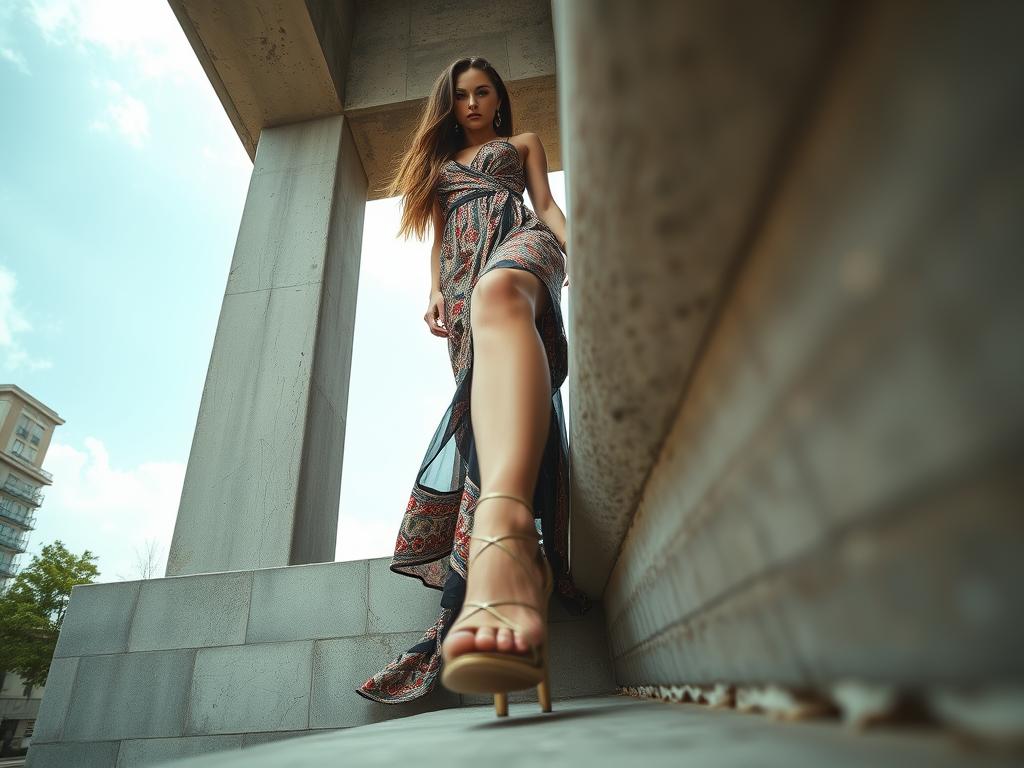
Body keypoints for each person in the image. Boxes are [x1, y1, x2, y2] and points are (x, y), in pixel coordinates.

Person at [355, 56, 591, 718]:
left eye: (484, 91)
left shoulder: (522, 146)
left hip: (521, 246)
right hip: (461, 288)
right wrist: (433, 290)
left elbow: (545, 205)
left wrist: (582, 251)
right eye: (462, 95)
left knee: (500, 289)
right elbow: (435, 237)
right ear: (449, 104)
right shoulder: (441, 169)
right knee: (488, 406)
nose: (474, 102)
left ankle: (504, 530)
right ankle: (509, 554)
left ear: (499, 98)